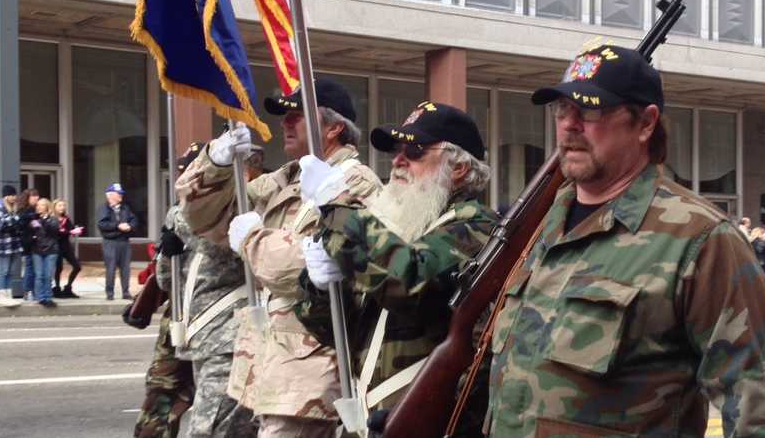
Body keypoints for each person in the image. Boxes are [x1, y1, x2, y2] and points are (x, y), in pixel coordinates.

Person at [487, 45, 765, 436]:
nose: (570, 124)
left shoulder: (700, 239)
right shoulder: (542, 225)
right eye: (562, 110)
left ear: (645, 124)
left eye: (591, 109)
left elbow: (762, 412)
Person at [178, 78, 383, 437]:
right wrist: (216, 165)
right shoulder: (285, 179)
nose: (285, 123)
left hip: (314, 364)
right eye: (284, 116)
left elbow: (304, 266)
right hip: (274, 363)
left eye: (296, 116)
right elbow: (203, 217)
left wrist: (252, 240)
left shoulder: (355, 182)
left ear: (334, 128)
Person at [297, 102, 497, 430]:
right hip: (367, 419)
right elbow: (334, 334)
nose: (399, 161)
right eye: (398, 150)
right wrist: (321, 289)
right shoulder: (395, 228)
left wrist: (339, 209)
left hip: (426, 423)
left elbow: (410, 283)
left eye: (415, 151)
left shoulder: (478, 227)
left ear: (458, 167)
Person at [135, 142, 258, 438]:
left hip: (226, 333)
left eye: (193, 169)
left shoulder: (243, 206)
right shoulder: (176, 213)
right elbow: (166, 281)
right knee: (159, 403)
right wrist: (167, 253)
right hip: (187, 327)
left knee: (211, 426)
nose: (187, 175)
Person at [98, 183, 138, 300]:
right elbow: (102, 224)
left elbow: (134, 220)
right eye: (118, 194)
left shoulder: (125, 208)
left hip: (124, 241)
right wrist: (118, 226)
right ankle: (110, 293)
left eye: (121, 194)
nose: (121, 196)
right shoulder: (104, 208)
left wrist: (130, 226)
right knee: (111, 268)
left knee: (125, 268)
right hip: (110, 242)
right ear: (110, 195)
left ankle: (126, 292)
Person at [0, 186, 23, 306]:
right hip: (3, 244)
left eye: (15, 195)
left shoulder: (14, 208)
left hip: (13, 243)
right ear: (6, 196)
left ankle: (8, 294)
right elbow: (2, 225)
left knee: (10, 271)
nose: (14, 197)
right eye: (12, 195)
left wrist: (13, 222)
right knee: (2, 271)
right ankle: (1, 295)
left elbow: (18, 223)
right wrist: (14, 221)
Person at [30, 198, 60, 308]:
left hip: (51, 250)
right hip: (37, 250)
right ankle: (40, 297)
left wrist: (44, 221)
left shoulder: (53, 219)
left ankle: (48, 297)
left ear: (47, 207)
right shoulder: (33, 219)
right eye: (37, 205)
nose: (38, 207)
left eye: (41, 205)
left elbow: (54, 231)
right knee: (39, 275)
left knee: (48, 275)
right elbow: (31, 233)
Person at [53, 199, 83, 299]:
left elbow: (71, 229)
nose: (62, 208)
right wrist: (69, 232)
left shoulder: (66, 218)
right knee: (58, 268)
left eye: (63, 206)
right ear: (54, 207)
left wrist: (77, 230)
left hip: (66, 246)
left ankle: (68, 288)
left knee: (77, 266)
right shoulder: (52, 219)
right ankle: (56, 289)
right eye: (60, 205)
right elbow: (57, 232)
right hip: (56, 246)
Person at [19, 189, 39, 302]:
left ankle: (29, 291)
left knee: (31, 267)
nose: (36, 198)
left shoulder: (29, 211)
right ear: (28, 198)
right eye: (34, 196)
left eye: (37, 196)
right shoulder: (27, 212)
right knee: (30, 267)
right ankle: (28, 291)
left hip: (31, 242)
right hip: (29, 243)